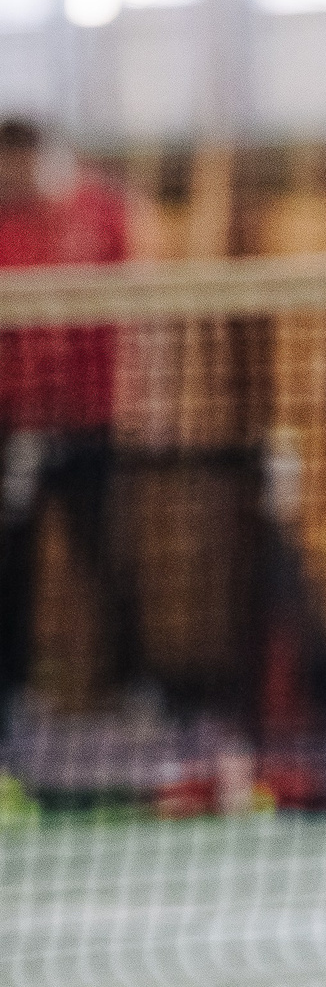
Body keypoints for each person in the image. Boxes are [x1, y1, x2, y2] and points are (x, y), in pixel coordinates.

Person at [0, 117, 143, 742]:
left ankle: (135, 685)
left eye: (19, 163)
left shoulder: (99, 212)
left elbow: (141, 309)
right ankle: (13, 692)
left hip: (91, 423)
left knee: (106, 552)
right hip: (10, 426)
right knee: (12, 561)